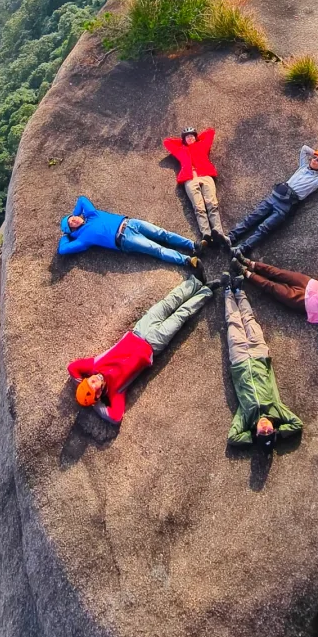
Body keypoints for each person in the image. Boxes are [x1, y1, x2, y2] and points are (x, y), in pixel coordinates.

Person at [68, 276, 212, 423]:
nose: (93, 381)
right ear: (98, 396)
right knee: (181, 315)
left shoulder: (93, 366)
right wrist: (95, 404)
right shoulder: (115, 392)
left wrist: (83, 387)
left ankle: (195, 282)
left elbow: (72, 368)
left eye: (88, 382)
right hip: (153, 344)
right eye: (94, 388)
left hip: (139, 330)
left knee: (168, 302)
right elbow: (115, 417)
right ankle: (207, 291)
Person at [221, 272, 303, 449]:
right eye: (270, 431)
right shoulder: (277, 409)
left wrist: (251, 439)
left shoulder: (245, 417)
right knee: (249, 320)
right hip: (260, 356)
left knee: (233, 323)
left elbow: (232, 438)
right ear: (274, 427)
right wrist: (280, 433)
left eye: (262, 432)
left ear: (256, 432)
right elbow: (297, 424)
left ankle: (227, 291)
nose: (266, 428)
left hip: (240, 361)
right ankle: (239, 291)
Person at [229, 145, 318, 253]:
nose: (314, 160)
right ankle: (230, 237)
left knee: (263, 228)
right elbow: (304, 149)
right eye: (314, 158)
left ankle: (242, 249)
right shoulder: (303, 167)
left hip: (285, 207)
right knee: (251, 218)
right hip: (274, 197)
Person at [58, 195, 200, 269]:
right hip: (125, 239)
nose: (75, 219)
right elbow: (62, 250)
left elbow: (82, 200)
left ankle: (193, 245)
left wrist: (74, 214)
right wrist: (66, 236)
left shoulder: (91, 215)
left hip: (131, 223)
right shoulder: (82, 239)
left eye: (73, 218)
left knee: (163, 234)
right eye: (71, 223)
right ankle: (187, 260)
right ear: (72, 230)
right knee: (157, 249)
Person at [163, 125, 225, 246]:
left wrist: (197, 138)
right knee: (198, 207)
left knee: (212, 203)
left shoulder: (202, 145)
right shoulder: (180, 150)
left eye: (192, 136)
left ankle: (219, 233)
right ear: (184, 139)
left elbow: (210, 132)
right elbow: (167, 142)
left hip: (206, 175)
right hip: (190, 178)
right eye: (187, 137)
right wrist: (182, 141)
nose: (190, 138)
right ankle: (206, 235)